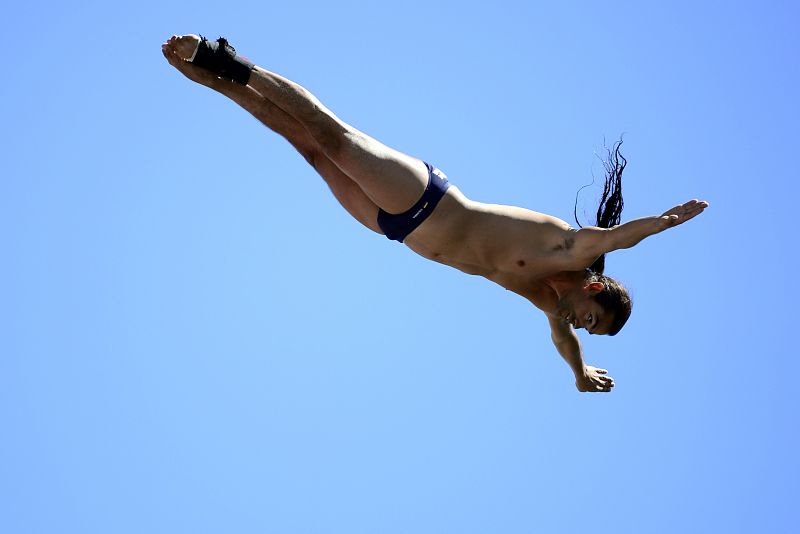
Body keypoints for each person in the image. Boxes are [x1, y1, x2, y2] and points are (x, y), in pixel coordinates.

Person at [162, 35, 709, 393]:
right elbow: (621, 237)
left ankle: (210, 80)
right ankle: (229, 61)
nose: (578, 326)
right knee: (333, 137)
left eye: (588, 331)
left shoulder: (546, 299)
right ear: (591, 291)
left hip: (395, 229)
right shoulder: (569, 250)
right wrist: (666, 221)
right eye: (589, 319)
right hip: (426, 198)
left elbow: (563, 340)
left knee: (304, 147)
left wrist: (580, 371)